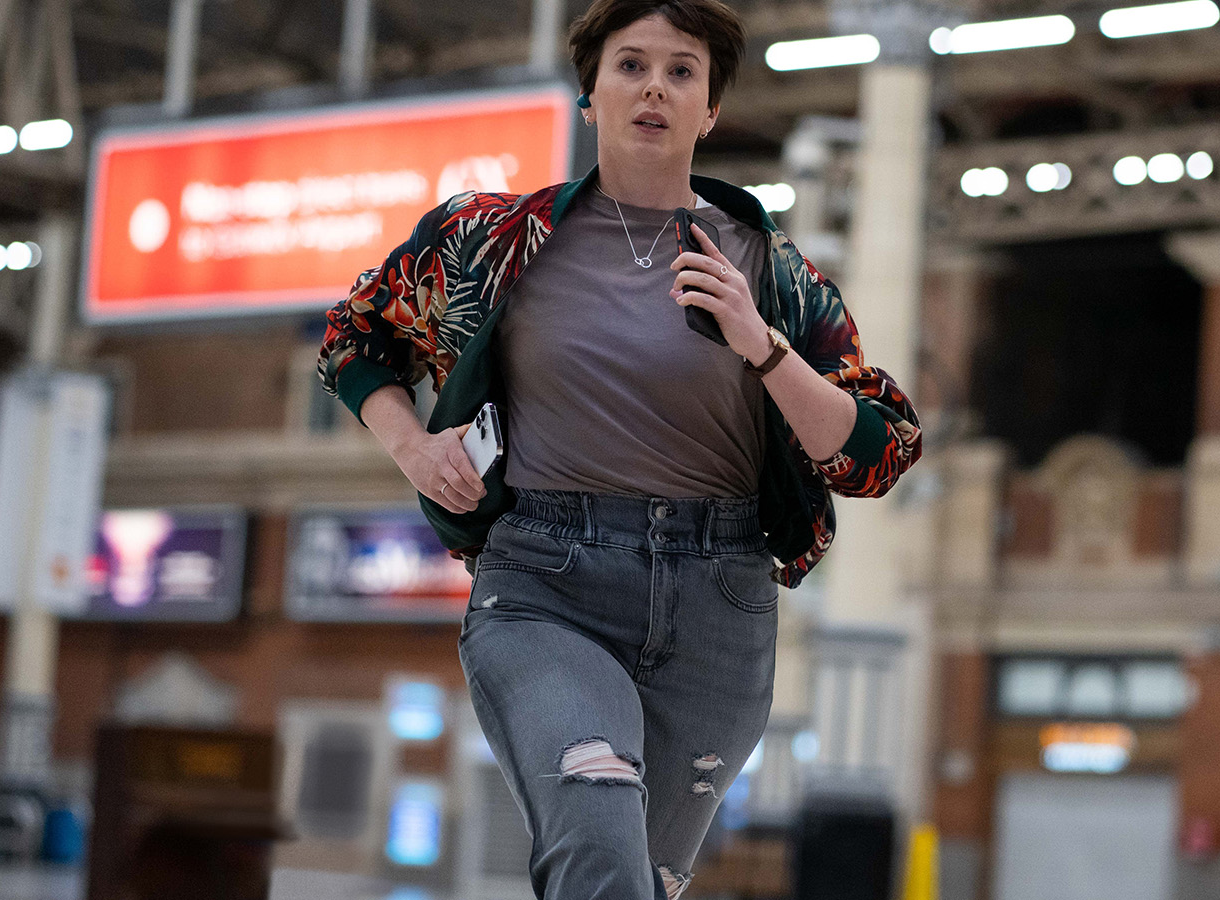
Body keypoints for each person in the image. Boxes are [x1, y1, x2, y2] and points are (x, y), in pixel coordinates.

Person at [318, 1, 921, 895]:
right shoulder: (488, 240)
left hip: (720, 600)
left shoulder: (769, 266)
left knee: (648, 879)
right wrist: (412, 447)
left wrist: (763, 345)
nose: (655, 87)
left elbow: (880, 452)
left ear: (711, 109)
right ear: (590, 93)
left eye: (683, 71)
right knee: (599, 846)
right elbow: (353, 338)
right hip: (545, 582)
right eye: (631, 64)